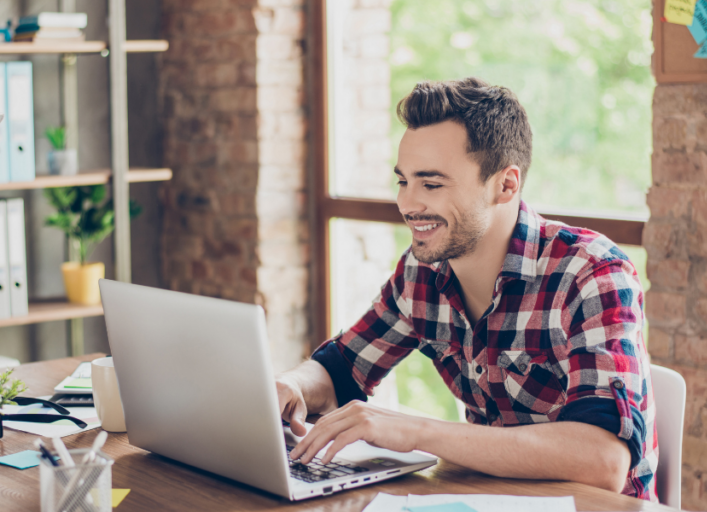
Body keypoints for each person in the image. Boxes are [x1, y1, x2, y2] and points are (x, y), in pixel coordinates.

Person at [277, 78, 656, 501]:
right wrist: (291, 386)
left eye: (432, 184)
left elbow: (604, 461)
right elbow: (341, 367)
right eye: (403, 181)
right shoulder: (422, 272)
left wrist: (414, 430)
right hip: (489, 499)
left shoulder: (591, 273)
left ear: (506, 185)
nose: (408, 204)